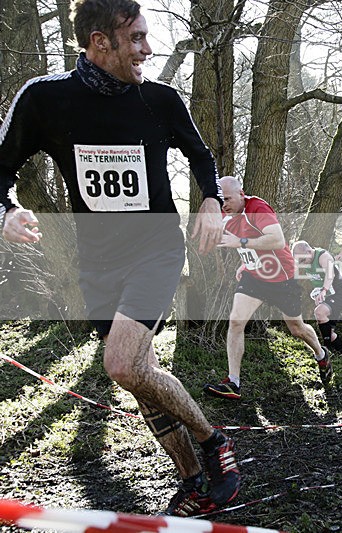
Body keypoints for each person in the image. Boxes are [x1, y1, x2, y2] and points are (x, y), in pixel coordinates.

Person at [0, 0, 239, 516]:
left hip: (155, 250)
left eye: (147, 38)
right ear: (99, 41)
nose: (147, 50)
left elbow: (201, 156)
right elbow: (1, 167)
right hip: (97, 263)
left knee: (120, 363)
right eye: (136, 39)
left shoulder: (160, 100)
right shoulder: (45, 98)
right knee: (138, 374)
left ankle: (213, 442)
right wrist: (7, 212)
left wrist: (212, 203)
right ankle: (194, 479)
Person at [204, 177, 332, 400]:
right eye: (220, 200)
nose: (224, 205)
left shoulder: (257, 207)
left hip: (281, 278)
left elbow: (277, 240)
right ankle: (233, 381)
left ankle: (321, 354)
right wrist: (247, 262)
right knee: (235, 321)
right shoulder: (225, 214)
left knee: (297, 328)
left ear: (241, 194)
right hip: (254, 278)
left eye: (228, 199)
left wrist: (241, 244)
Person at [292, 240, 342, 353]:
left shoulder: (323, 256)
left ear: (309, 252)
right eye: (299, 261)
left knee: (319, 312)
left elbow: (330, 274)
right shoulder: (305, 261)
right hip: (328, 296)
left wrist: (324, 290)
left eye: (303, 260)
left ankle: (326, 349)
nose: (302, 264)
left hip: (341, 293)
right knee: (329, 332)